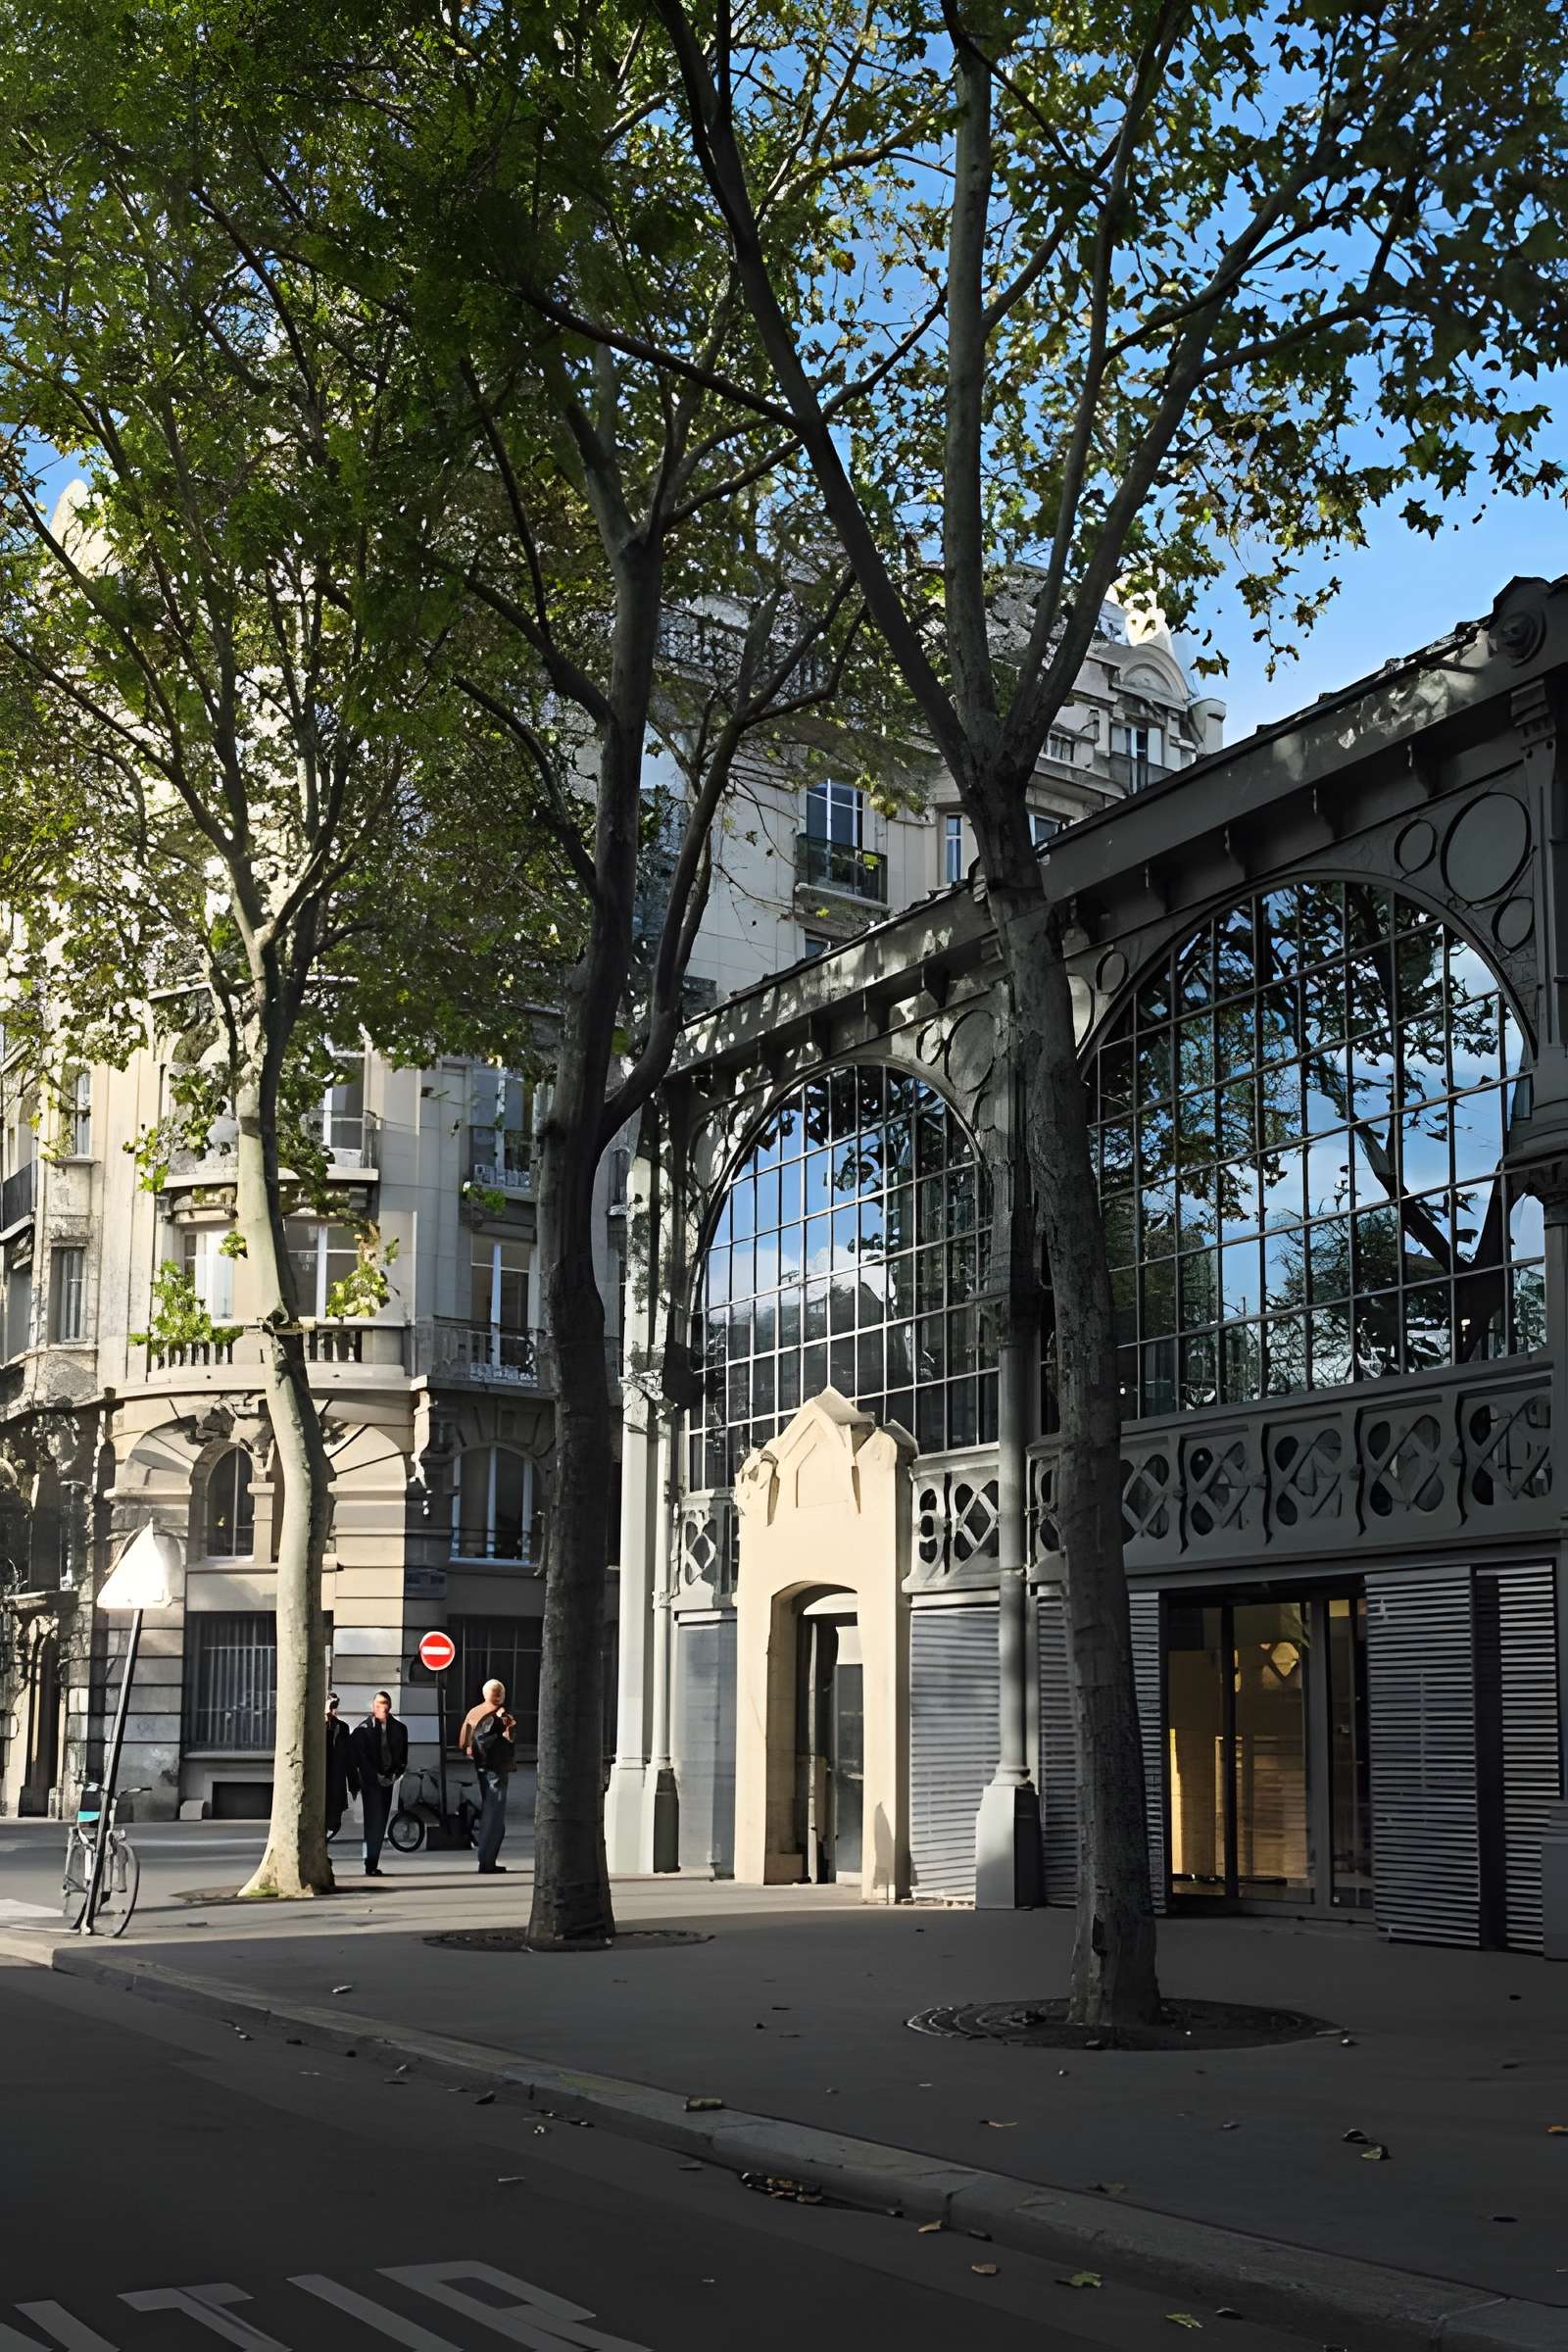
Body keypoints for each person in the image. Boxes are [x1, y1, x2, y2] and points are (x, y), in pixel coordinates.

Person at [459, 1678, 516, 1874]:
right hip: (497, 1768)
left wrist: (473, 1754)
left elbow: (463, 1742)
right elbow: (510, 1738)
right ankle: (487, 1861)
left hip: (481, 1767)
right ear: (500, 1695)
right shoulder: (500, 1715)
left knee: (488, 1812)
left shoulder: (473, 1713)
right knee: (495, 1816)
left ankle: (485, 1858)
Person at [348, 1690, 408, 1877]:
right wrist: (374, 1776)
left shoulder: (399, 1729)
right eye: (379, 1704)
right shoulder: (363, 1730)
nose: (382, 1707)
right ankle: (370, 1862)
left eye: (385, 1703)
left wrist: (395, 1774)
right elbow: (360, 1759)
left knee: (381, 1821)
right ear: (373, 1707)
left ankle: (373, 1860)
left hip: (388, 1779)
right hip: (371, 1781)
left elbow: (402, 1755)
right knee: (372, 1821)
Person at [324, 1690, 357, 1840]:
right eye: (331, 1705)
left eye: (336, 1705)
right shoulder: (314, 1728)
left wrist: (354, 1784)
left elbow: (349, 1757)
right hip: (319, 1784)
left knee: (335, 1823)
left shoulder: (342, 1728)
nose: (333, 1710)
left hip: (336, 1783)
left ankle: (322, 1847)